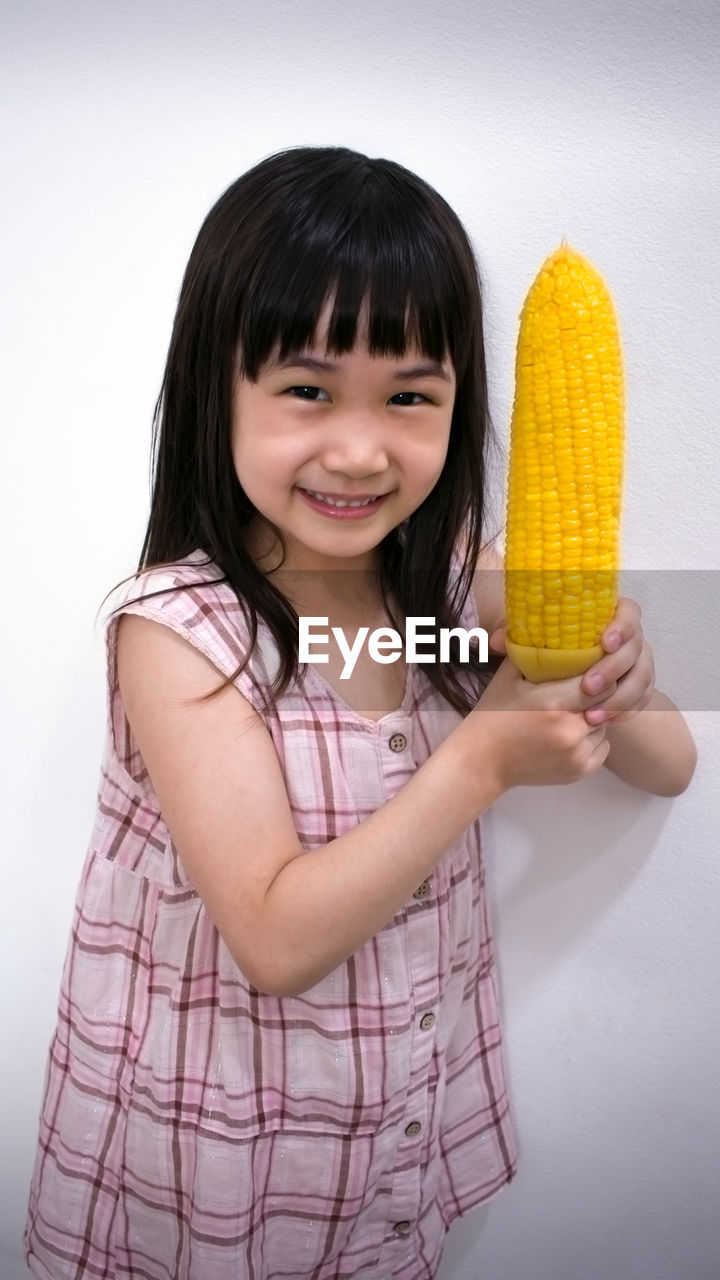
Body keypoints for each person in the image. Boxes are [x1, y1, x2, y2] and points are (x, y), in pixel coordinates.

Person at [24, 146, 696, 1280]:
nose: (358, 445)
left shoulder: (440, 596)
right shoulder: (182, 632)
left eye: (410, 397)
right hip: (210, 1166)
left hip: (382, 1156)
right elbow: (278, 935)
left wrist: (613, 667)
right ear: (214, 391)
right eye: (305, 389)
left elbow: (670, 763)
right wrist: (479, 759)